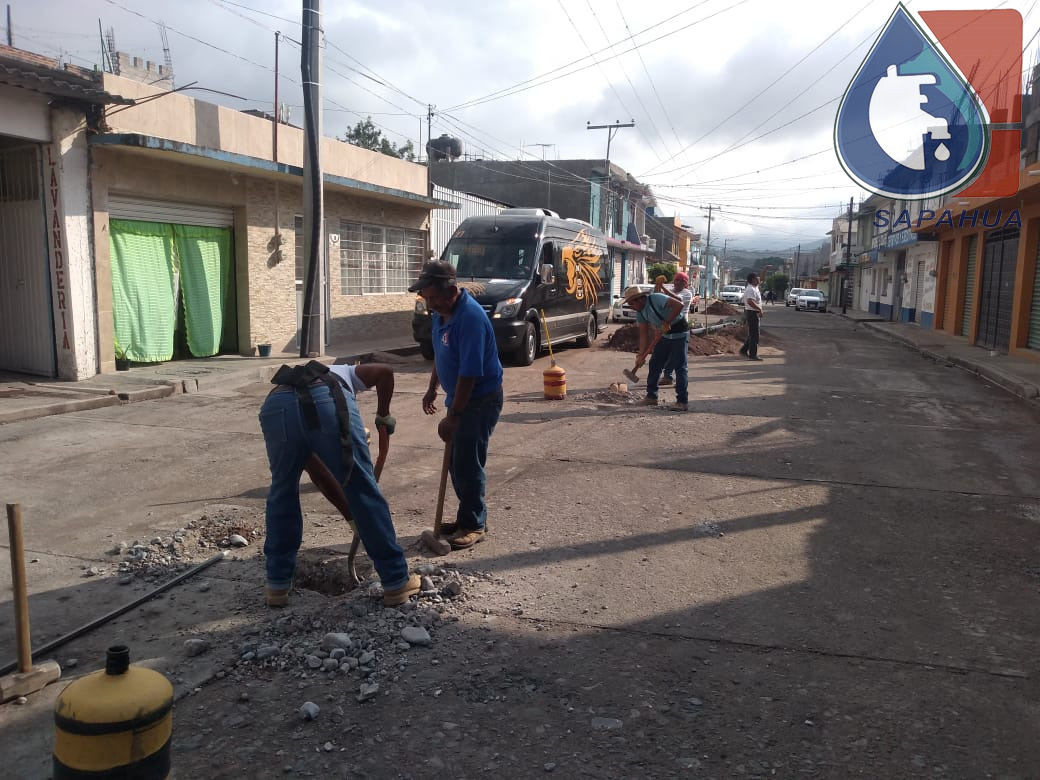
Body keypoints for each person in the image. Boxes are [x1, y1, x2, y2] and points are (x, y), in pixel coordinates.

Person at [258, 361, 420, 608]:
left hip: (276, 405)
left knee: (283, 492)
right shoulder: (347, 372)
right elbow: (385, 371)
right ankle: (396, 581)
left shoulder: (308, 380)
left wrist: (352, 518)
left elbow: (319, 473)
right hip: (327, 398)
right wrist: (383, 413)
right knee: (363, 487)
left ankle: (277, 584)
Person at [410, 260, 504, 550]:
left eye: (433, 297)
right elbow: (443, 355)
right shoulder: (441, 315)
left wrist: (455, 415)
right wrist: (432, 388)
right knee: (456, 462)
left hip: (479, 400)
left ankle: (474, 524)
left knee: (467, 463)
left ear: (450, 290)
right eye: (425, 298)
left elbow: (469, 373)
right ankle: (469, 516)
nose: (429, 303)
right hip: (461, 399)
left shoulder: (470, 319)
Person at [624, 285, 688, 411]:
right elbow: (643, 335)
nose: (631, 306)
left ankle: (682, 401)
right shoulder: (640, 312)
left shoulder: (656, 298)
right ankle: (651, 397)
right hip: (663, 335)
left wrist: (667, 322)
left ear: (639, 299)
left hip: (679, 331)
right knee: (655, 364)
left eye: (631, 303)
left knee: (680, 367)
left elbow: (679, 305)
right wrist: (640, 355)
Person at [657, 272, 694, 387]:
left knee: (678, 356)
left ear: (685, 284)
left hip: (680, 327)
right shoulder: (671, 289)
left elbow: (677, 299)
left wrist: (662, 287)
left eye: (681, 281)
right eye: (677, 280)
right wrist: (657, 286)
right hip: (667, 325)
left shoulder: (687, 293)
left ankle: (677, 379)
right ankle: (668, 376)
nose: (678, 283)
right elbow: (658, 297)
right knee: (668, 353)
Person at [740, 272, 764, 361]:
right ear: (753, 279)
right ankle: (753, 354)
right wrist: (759, 309)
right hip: (752, 313)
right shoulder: (751, 289)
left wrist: (765, 270)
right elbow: (750, 301)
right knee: (755, 335)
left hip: (753, 312)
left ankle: (744, 350)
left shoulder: (755, 287)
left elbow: (762, 279)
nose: (759, 279)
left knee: (752, 333)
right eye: (757, 278)